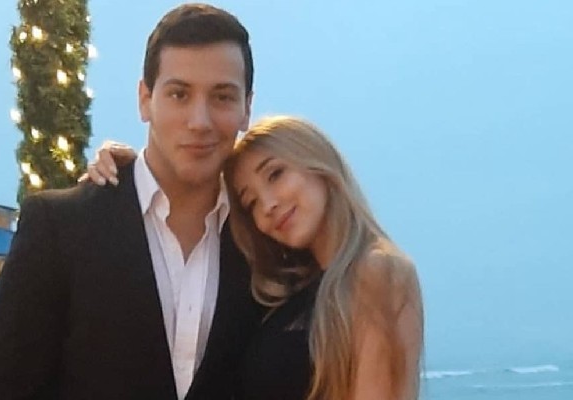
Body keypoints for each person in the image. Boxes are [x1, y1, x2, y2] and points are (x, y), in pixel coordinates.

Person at [0, 4, 261, 400]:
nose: (199, 120)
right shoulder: (60, 228)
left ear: (247, 108)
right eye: (179, 94)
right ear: (145, 99)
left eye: (222, 97)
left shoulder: (263, 242)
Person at [87, 116, 424, 399]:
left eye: (275, 175)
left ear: (318, 162)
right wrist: (138, 173)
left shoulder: (378, 270)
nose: (269, 205)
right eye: (251, 202)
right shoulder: (289, 290)